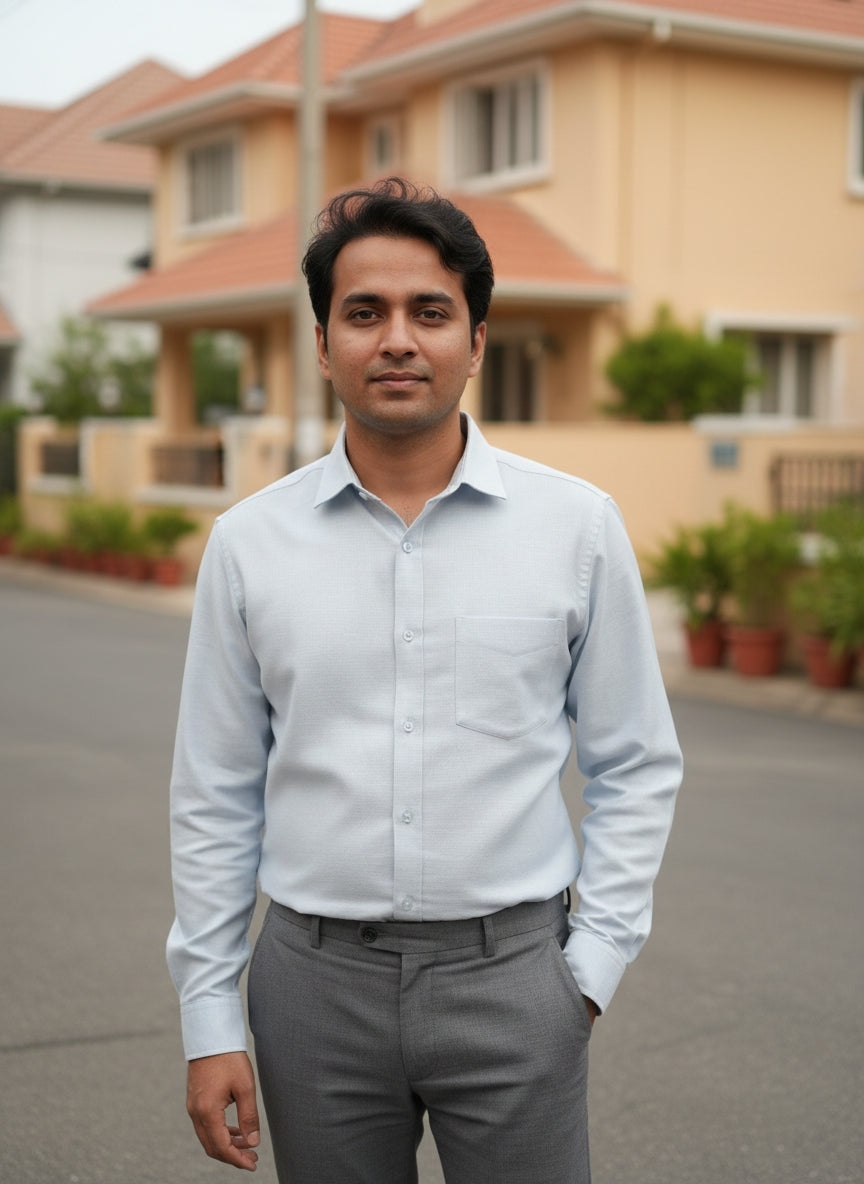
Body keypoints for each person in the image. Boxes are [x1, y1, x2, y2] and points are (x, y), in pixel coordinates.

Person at [167, 176, 682, 1184]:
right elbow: (214, 793)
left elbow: (637, 761)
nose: (396, 338)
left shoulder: (575, 527)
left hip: (518, 980)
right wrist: (209, 1016)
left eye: (429, 311)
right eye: (364, 312)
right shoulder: (248, 545)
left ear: (476, 340)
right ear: (323, 345)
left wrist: (587, 972)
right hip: (312, 986)